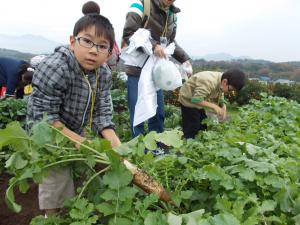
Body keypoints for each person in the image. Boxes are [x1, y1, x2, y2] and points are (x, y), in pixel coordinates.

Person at [26, 2, 121, 216]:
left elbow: (102, 111)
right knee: (57, 185)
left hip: (79, 131)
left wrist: (117, 146)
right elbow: (45, 119)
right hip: (49, 138)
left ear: (109, 52)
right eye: (87, 41)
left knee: (81, 185)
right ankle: (52, 217)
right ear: (72, 41)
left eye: (102, 46)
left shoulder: (103, 74)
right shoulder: (55, 67)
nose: (93, 51)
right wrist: (82, 143)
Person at [122, 0, 192, 138]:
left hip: (156, 72)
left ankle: (157, 145)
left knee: (158, 111)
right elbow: (129, 33)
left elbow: (170, 41)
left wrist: (185, 59)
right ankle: (138, 147)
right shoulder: (141, 5)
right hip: (138, 69)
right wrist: (153, 46)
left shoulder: (173, 14)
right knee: (137, 112)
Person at [178, 69, 247, 139]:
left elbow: (221, 93)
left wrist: (223, 105)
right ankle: (188, 143)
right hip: (188, 100)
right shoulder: (208, 82)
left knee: (203, 124)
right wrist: (214, 106)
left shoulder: (222, 80)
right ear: (225, 81)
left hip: (198, 100)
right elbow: (195, 100)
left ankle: (199, 142)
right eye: (230, 90)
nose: (230, 92)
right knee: (192, 126)